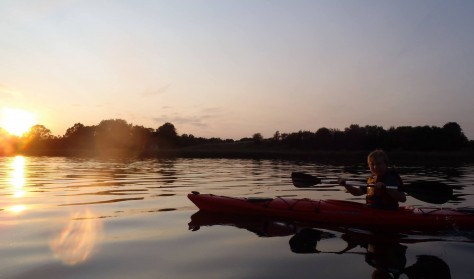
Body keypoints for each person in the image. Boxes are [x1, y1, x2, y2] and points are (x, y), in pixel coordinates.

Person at [339, 150, 406, 210]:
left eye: (379, 164)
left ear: (386, 164)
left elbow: (403, 199)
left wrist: (386, 188)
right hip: (372, 210)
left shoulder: (391, 178)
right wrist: (346, 185)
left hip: (388, 213)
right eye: (372, 164)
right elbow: (357, 192)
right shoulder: (372, 179)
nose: (375, 167)